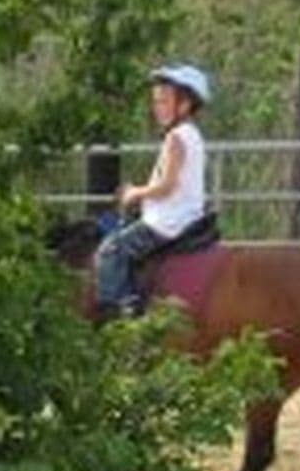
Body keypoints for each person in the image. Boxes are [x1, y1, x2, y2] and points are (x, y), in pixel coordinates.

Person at [92, 61, 217, 318]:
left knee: (111, 250)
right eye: (155, 101)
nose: (156, 108)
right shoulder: (192, 134)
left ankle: (120, 310)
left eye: (163, 102)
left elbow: (167, 186)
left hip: (167, 222)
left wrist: (135, 193)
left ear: (184, 105)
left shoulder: (175, 138)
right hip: (183, 215)